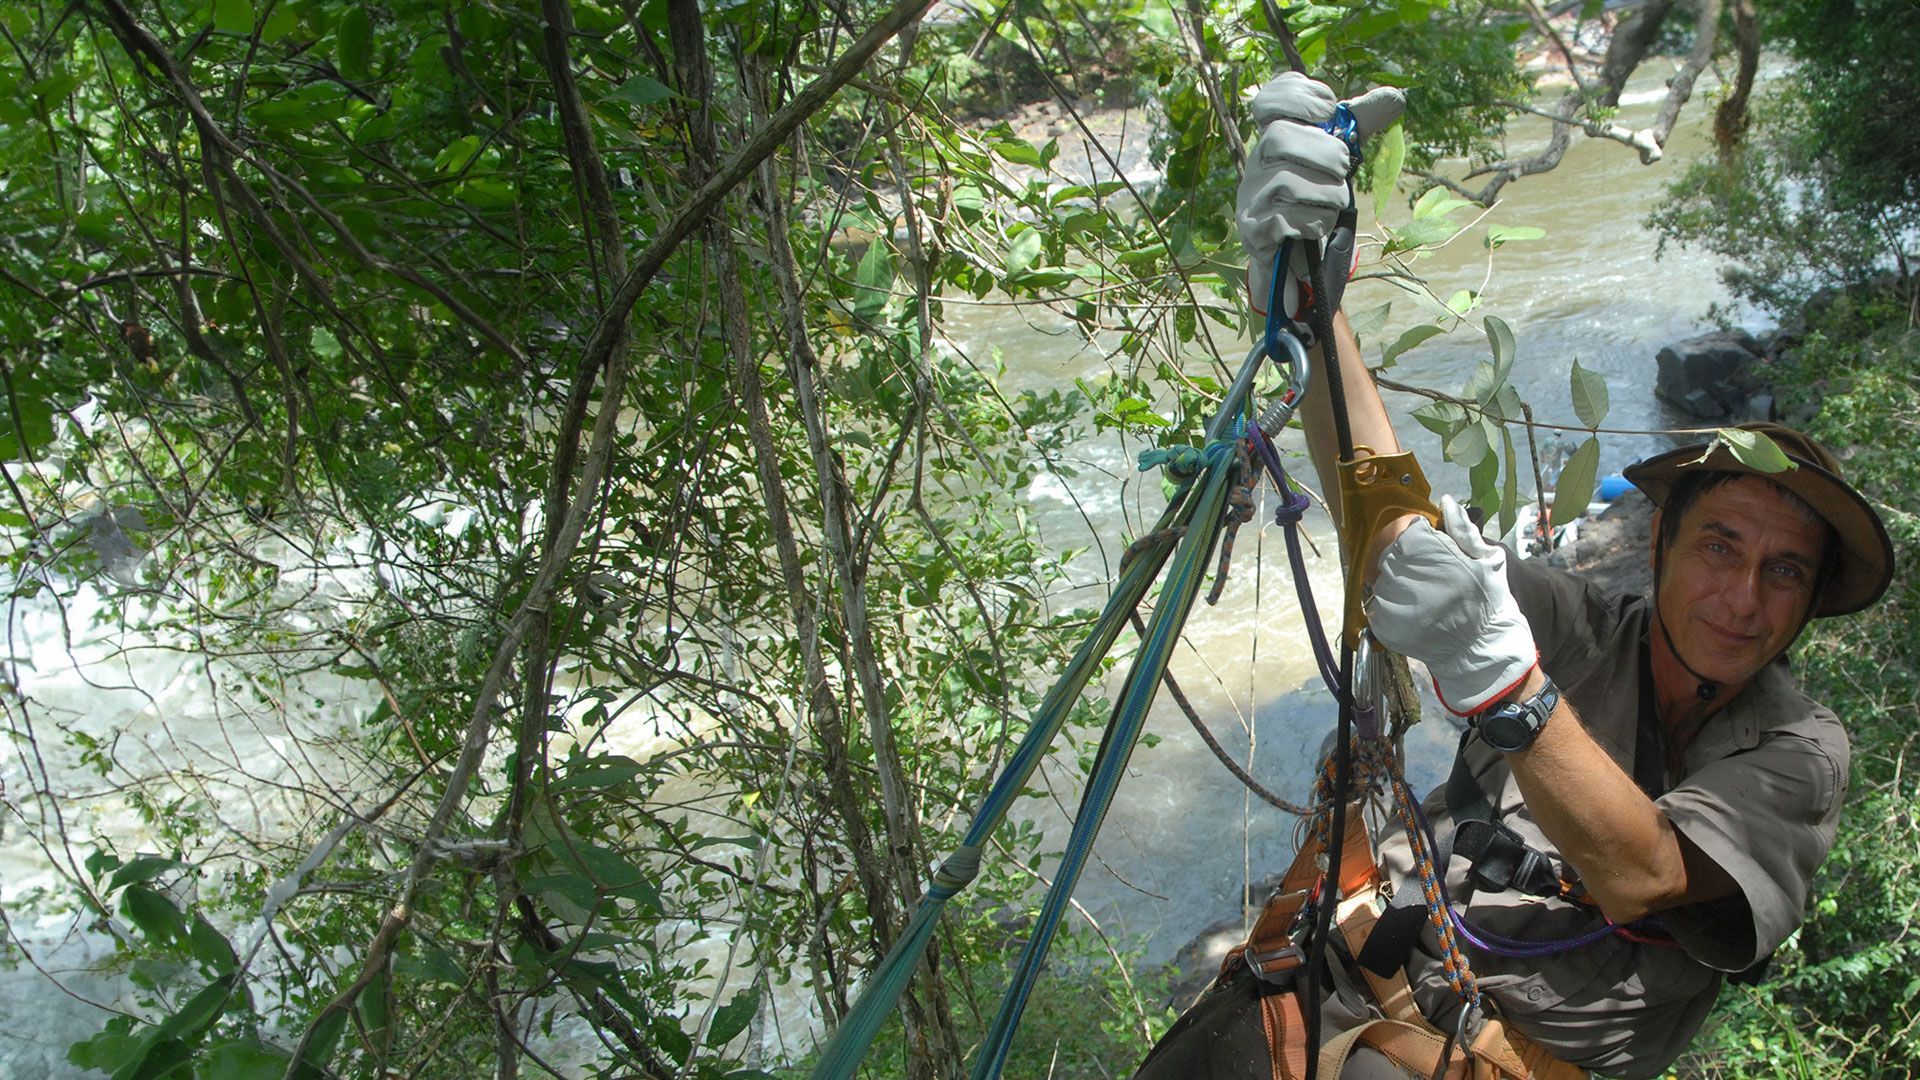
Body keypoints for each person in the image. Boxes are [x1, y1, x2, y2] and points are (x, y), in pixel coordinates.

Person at [1134, 73, 1897, 1079]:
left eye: (1784, 571)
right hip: (1375, 973)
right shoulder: (1588, 629)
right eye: (1720, 547)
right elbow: (1391, 525)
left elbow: (1644, 874)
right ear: (1661, 545)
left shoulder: (1799, 750)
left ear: (1808, 601)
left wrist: (1507, 689)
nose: (1744, 598)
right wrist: (1311, 303)